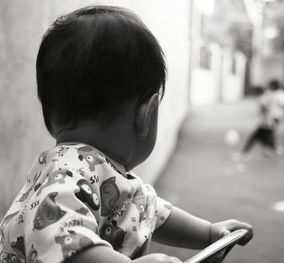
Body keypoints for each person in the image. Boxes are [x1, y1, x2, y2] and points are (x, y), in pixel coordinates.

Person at [0, 6, 253, 263]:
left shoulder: (102, 173)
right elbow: (67, 243)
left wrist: (209, 233)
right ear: (146, 114)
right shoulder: (66, 175)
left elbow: (151, 211)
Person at [237, 80, 284, 161]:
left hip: (270, 119)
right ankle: (270, 148)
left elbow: (266, 108)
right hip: (273, 118)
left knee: (258, 135)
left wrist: (267, 115)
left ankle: (247, 152)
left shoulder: (270, 96)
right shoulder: (273, 95)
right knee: (265, 134)